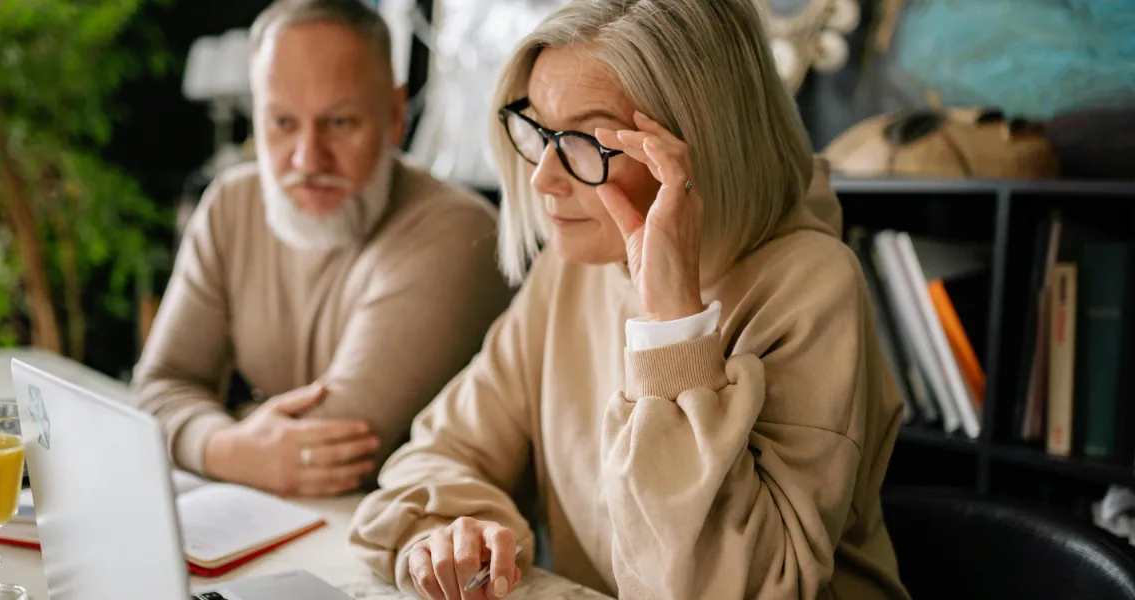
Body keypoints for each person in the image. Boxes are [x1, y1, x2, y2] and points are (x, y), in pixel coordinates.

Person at [347, 0, 913, 599]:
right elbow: (438, 453)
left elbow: (736, 589)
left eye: (586, 140)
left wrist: (673, 324)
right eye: (538, 130)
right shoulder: (574, 272)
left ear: (703, 146)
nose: (543, 176)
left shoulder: (813, 287)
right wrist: (452, 534)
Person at [132, 0, 512, 498]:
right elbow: (157, 387)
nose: (308, 159)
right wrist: (229, 446)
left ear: (395, 116)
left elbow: (334, 455)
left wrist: (212, 428)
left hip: (423, 548)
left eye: (339, 123)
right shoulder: (230, 204)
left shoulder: (458, 232)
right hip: (289, 528)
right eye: (282, 123)